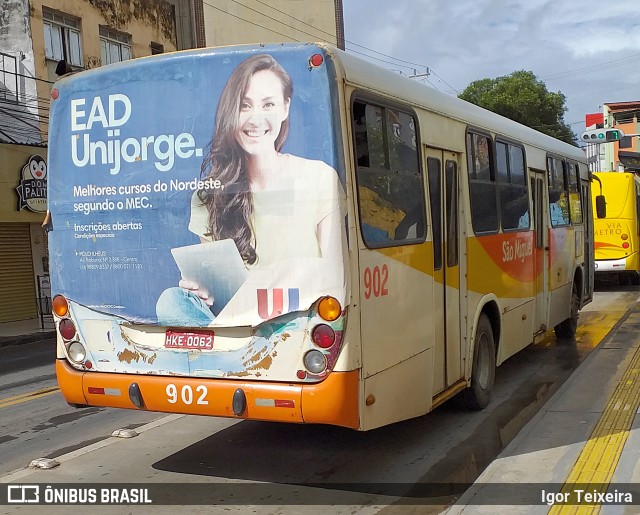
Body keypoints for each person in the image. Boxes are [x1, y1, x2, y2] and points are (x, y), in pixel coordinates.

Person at [156, 54, 346, 325]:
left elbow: (332, 275)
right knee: (172, 300)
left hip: (296, 320)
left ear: (285, 108)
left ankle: (222, 362)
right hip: (237, 324)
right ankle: (229, 358)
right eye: (244, 106)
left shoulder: (318, 178)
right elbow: (221, 297)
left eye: (268, 104)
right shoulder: (208, 195)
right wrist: (202, 293)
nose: (255, 119)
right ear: (230, 112)